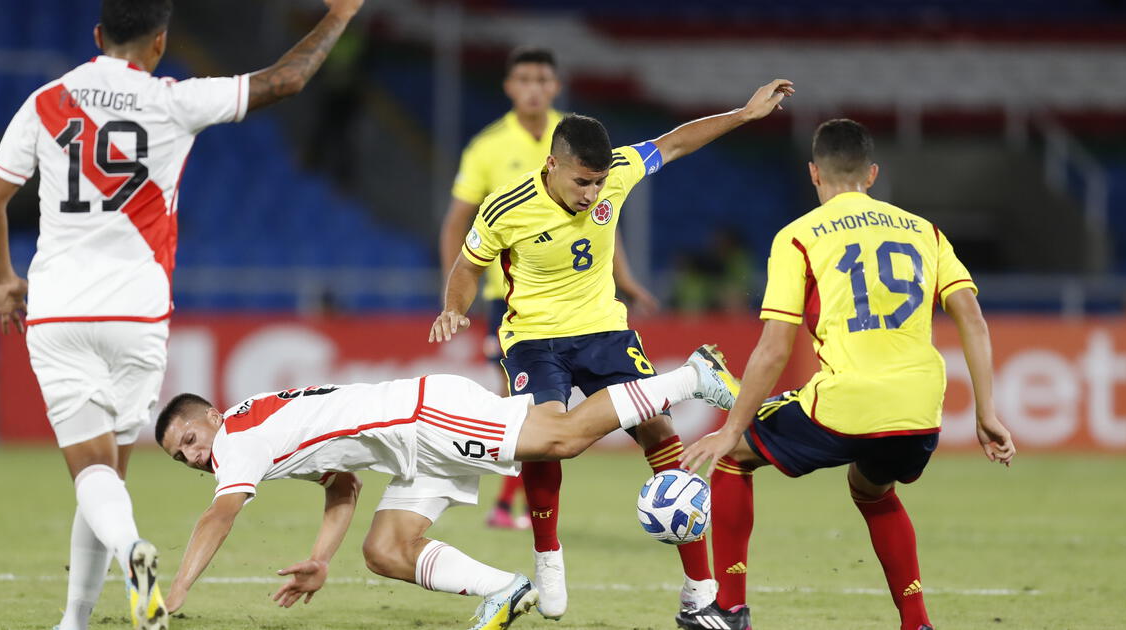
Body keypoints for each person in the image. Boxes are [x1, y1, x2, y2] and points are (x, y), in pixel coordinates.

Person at [0, 1, 365, 629]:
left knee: (90, 475)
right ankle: (77, 618)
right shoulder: (174, 99)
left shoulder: (47, 100)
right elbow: (286, 80)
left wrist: (2, 280)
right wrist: (341, 15)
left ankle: (129, 558)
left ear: (98, 36)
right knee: (109, 473)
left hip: (60, 311)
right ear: (160, 43)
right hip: (138, 314)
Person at [430, 79, 795, 621]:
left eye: (600, 183)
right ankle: (548, 560)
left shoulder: (617, 172)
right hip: (533, 339)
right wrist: (453, 307)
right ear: (552, 164)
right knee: (544, 440)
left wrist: (742, 114)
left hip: (604, 330)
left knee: (659, 431)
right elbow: (468, 267)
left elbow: (674, 142)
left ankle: (699, 590)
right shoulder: (505, 209)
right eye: (582, 182)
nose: (593, 194)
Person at [678, 119, 1017, 630]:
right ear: (873, 174)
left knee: (736, 457)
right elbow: (972, 317)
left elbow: (774, 347)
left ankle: (729, 608)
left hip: (847, 400)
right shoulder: (925, 230)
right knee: (872, 489)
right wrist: (987, 412)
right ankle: (917, 622)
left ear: (814, 173)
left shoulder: (798, 236)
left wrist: (729, 429)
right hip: (920, 407)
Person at [154, 345, 740, 630]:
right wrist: (318, 558)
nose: (190, 454)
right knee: (385, 550)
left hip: (424, 419)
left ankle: (692, 374)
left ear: (210, 414)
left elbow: (218, 518)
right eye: (178, 454)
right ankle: (508, 590)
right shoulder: (259, 432)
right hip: (409, 446)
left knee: (559, 438)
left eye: (187, 437)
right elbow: (343, 487)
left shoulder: (235, 438)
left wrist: (176, 588)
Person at [439, 46, 658, 530]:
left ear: (554, 86)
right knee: (525, 411)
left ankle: (504, 502)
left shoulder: (583, 141)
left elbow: (602, 218)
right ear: (509, 87)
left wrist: (625, 281)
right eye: (524, 79)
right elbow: (460, 227)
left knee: (543, 418)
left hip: (586, 305)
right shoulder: (487, 148)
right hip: (512, 299)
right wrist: (451, 300)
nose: (534, 88)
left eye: (542, 79)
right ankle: (504, 501)